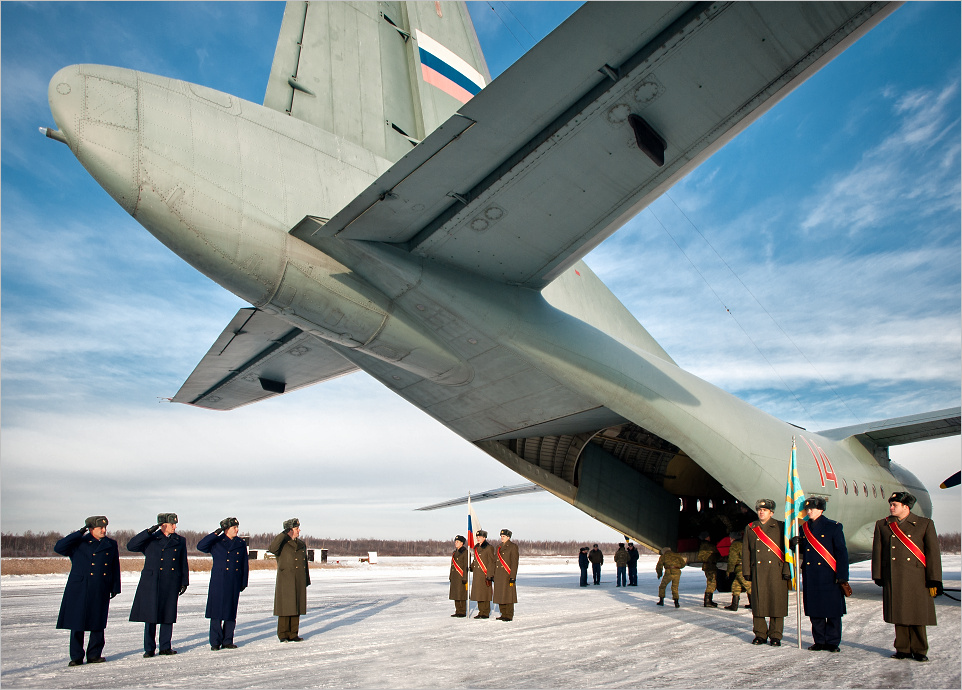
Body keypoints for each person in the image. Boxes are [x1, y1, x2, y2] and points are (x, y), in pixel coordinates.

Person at [871, 491, 943, 661]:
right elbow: (878, 551)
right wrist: (878, 574)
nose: (891, 508)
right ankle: (902, 648)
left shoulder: (924, 524)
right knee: (899, 614)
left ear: (906, 506)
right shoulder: (883, 525)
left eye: (894, 505)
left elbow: (933, 553)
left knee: (917, 614)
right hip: (894, 576)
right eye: (891, 504)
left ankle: (919, 650)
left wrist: (935, 579)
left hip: (917, 578)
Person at [55, 516, 121, 666]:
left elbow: (114, 567)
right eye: (100, 528)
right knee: (77, 622)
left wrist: (115, 587)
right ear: (91, 529)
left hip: (101, 586)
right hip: (80, 587)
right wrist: (79, 533)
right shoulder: (79, 542)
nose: (104, 530)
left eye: (105, 528)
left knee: (98, 622)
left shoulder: (111, 544)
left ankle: (94, 655)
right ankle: (76, 656)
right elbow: (59, 548)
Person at [791, 496, 849, 652]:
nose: (809, 511)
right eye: (808, 509)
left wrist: (842, 575)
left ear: (821, 510)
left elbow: (841, 552)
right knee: (815, 612)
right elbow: (805, 550)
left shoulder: (833, 527)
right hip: (812, 575)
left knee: (832, 612)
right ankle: (819, 640)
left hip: (829, 575)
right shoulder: (803, 528)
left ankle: (832, 641)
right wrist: (796, 544)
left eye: (812, 509)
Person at [128, 513, 189, 657]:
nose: (175, 527)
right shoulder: (151, 539)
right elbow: (131, 546)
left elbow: (183, 562)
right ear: (163, 525)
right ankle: (149, 648)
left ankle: (165, 647)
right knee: (151, 615)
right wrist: (148, 531)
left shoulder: (179, 540)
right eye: (172, 524)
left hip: (171, 581)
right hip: (152, 582)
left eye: (175, 524)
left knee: (168, 615)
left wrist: (184, 581)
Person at [743, 499, 790, 646]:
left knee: (777, 603)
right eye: (759, 510)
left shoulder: (781, 526)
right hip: (758, 570)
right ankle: (760, 634)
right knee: (758, 603)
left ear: (771, 512)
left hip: (776, 570)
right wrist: (747, 570)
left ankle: (776, 635)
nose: (761, 512)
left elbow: (787, 551)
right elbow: (746, 550)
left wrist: (787, 569)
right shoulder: (751, 527)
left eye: (764, 510)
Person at [197, 517, 249, 650]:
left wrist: (243, 582)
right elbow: (201, 546)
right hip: (219, 581)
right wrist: (216, 533)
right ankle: (215, 642)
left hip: (234, 580)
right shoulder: (217, 542)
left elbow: (244, 564)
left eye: (237, 527)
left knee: (230, 612)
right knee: (216, 612)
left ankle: (227, 640)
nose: (237, 530)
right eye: (234, 528)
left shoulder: (240, 543)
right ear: (226, 529)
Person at [269, 518, 310, 642]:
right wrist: (283, 534)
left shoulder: (301, 544)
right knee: (285, 606)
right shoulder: (282, 543)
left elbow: (305, 563)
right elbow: (272, 548)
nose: (299, 530)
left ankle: (293, 633)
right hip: (286, 579)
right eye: (296, 528)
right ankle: (283, 634)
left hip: (298, 578)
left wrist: (306, 579)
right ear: (290, 530)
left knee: (296, 605)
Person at [493, 529, 519, 621]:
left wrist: (513, 576)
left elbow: (514, 563)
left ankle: (508, 614)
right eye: (501, 536)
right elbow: (495, 561)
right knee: (500, 594)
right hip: (499, 575)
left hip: (507, 574)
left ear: (508, 537)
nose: (502, 538)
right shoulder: (498, 547)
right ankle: (503, 613)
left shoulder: (513, 547)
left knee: (508, 595)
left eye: (503, 536)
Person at [470, 529, 496, 618]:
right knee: (479, 594)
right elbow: (475, 560)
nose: (478, 538)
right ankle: (481, 612)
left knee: (484, 594)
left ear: (484, 538)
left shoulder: (489, 548)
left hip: (484, 574)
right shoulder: (476, 547)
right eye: (477, 537)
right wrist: (471, 567)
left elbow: (491, 562)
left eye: (480, 537)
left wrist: (489, 575)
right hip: (477, 574)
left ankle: (485, 612)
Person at [725, 530, 750, 610]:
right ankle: (734, 605)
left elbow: (732, 559)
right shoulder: (745, 543)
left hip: (740, 568)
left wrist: (729, 571)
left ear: (733, 538)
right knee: (736, 586)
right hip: (746, 567)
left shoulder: (735, 545)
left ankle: (755, 604)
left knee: (748, 586)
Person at [697, 532, 720, 607]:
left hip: (707, 566)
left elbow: (700, 557)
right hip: (710, 566)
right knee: (711, 583)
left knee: (710, 582)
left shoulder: (702, 546)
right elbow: (717, 551)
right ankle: (707, 601)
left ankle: (709, 600)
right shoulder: (709, 546)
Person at [449, 535, 469, 617]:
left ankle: (462, 611)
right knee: (455, 594)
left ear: (462, 543)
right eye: (455, 541)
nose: (455, 543)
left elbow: (465, 566)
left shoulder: (465, 552)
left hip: (461, 576)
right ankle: (457, 610)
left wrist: (465, 577)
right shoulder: (455, 552)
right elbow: (452, 565)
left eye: (457, 542)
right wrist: (451, 576)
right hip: (455, 577)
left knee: (461, 594)